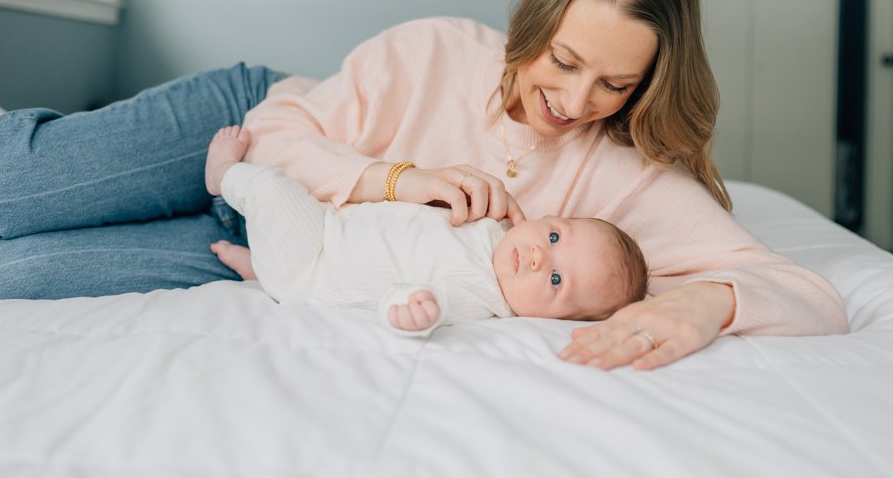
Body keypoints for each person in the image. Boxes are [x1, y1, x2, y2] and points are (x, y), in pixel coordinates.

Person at [0, 0, 849, 370]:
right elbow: (280, 134)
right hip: (248, 129)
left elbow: (806, 293)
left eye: (615, 83)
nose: (574, 100)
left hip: (290, 251)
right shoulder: (438, 50)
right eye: (562, 60)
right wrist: (396, 179)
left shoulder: (626, 178)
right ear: (531, 4)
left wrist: (706, 306)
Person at [203, 126, 648, 336]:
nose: (538, 257)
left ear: (553, 321)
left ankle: (223, 174)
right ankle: (260, 271)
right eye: (554, 238)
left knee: (272, 187)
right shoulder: (493, 229)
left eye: (555, 279)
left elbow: (431, 300)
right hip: (331, 227)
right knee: (291, 209)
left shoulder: (482, 295)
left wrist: (417, 311)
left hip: (314, 263)